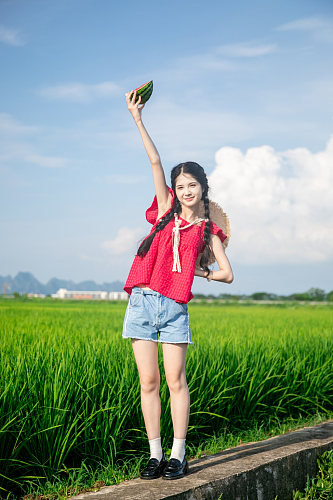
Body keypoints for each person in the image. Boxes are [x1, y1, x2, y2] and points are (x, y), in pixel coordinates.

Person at [122, 89, 234, 480]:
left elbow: (227, 274)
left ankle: (178, 454)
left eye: (193, 185)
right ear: (175, 190)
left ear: (203, 188)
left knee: (175, 381)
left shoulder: (208, 230)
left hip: (173, 307)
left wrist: (198, 272)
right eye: (181, 185)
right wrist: (138, 119)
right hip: (141, 301)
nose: (186, 191)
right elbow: (155, 160)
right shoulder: (165, 210)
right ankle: (154, 454)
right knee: (148, 381)